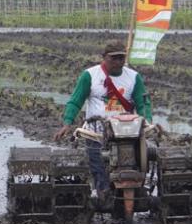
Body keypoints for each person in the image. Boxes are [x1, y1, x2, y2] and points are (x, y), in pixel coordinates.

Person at [54, 42, 153, 206]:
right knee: (98, 166)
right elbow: (75, 101)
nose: (118, 62)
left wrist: (147, 121)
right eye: (113, 58)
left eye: (121, 58)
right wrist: (67, 123)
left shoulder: (133, 77)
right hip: (97, 132)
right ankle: (103, 192)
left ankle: (135, 191)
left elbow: (143, 103)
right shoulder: (90, 75)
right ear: (104, 58)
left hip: (127, 133)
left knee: (137, 163)